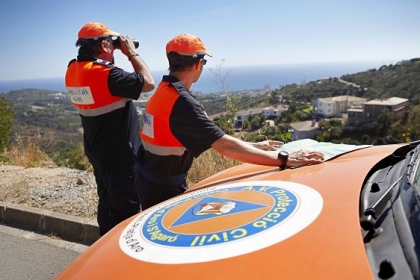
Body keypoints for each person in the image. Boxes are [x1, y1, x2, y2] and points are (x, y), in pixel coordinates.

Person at [136, 33, 324, 210]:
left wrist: (255, 145)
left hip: (150, 180)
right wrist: (284, 159)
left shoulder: (162, 92)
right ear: (198, 65)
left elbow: (207, 138)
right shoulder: (181, 102)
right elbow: (225, 146)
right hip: (164, 189)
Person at [65, 22, 155, 236]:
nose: (115, 49)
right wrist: (131, 53)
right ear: (105, 46)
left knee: (106, 202)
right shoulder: (107, 74)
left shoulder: (73, 70)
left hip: (97, 150)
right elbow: (149, 83)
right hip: (120, 155)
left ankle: (102, 246)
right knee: (125, 209)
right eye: (112, 45)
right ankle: (117, 260)